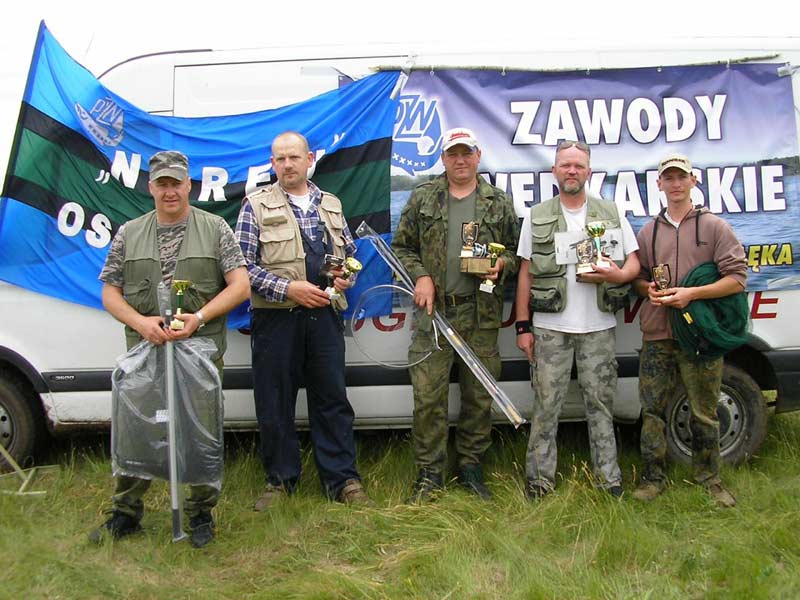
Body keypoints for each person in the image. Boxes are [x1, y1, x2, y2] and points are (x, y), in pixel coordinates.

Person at [90, 150, 249, 548]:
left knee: (200, 435)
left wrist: (199, 317)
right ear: (151, 187)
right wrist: (141, 323)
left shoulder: (215, 228)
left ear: (188, 185)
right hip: (145, 356)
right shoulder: (129, 233)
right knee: (138, 432)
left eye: (176, 183)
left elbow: (240, 286)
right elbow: (110, 293)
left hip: (199, 355)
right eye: (162, 183)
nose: (169, 191)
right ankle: (126, 513)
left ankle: (200, 514)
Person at [235, 131, 369, 510]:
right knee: (275, 402)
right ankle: (280, 482)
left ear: (310, 159)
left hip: (325, 316)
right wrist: (288, 289)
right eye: (280, 159)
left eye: (294, 157)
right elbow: (241, 267)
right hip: (277, 320)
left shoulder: (331, 204)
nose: (287, 164)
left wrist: (346, 277)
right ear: (272, 164)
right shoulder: (255, 206)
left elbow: (350, 254)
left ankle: (342, 480)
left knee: (332, 399)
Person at [392, 127, 520, 502]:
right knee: (427, 398)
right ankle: (429, 473)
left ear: (478, 157)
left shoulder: (498, 202)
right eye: (453, 154)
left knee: (478, 397)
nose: (460, 160)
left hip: (480, 315)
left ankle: (471, 468)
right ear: (443, 159)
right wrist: (421, 277)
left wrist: (501, 266)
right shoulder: (423, 197)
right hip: (433, 316)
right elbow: (402, 247)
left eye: (466, 153)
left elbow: (517, 253)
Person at [515, 140, 640, 500]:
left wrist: (617, 276)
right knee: (545, 407)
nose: (572, 171)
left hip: (598, 327)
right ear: (554, 171)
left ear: (589, 172)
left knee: (601, 406)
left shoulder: (611, 212)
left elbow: (634, 262)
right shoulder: (536, 216)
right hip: (550, 329)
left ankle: (609, 479)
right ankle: (539, 481)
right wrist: (523, 326)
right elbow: (525, 273)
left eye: (578, 166)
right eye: (566, 165)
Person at [632, 153, 747, 508]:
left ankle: (710, 480)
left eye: (682, 177)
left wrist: (692, 294)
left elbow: (737, 279)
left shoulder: (715, 227)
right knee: (652, 411)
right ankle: (653, 478)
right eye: (669, 177)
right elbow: (638, 278)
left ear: (693, 181)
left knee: (704, 411)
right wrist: (647, 290)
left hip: (700, 337)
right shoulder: (648, 232)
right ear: (659, 184)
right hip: (658, 335)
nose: (676, 183)